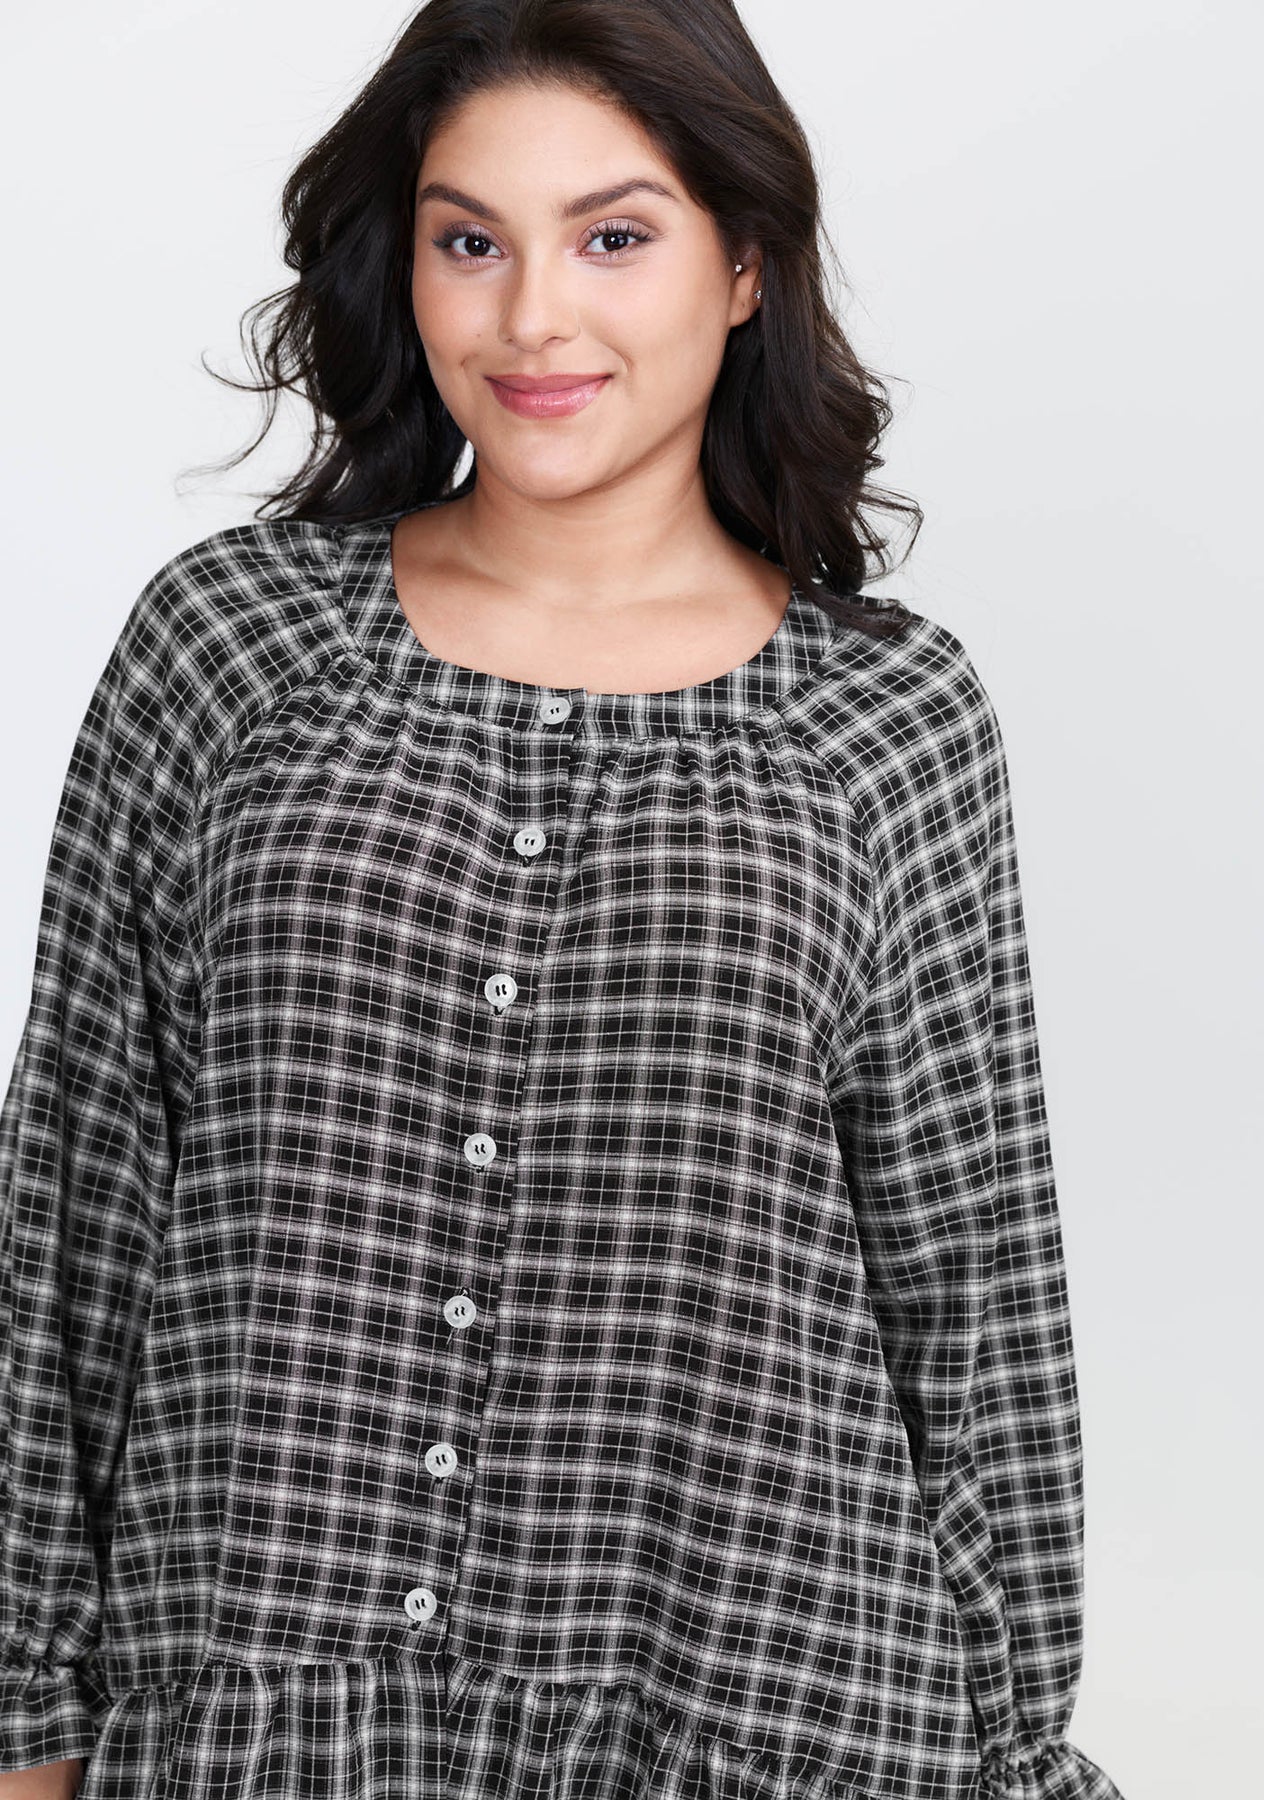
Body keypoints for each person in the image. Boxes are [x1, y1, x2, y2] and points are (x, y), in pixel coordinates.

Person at [0, 3, 1125, 1797]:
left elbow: (970, 1287)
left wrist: (1013, 1747)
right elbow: (74, 1207)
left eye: (612, 237)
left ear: (743, 266)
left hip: (761, 1706)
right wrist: (28, 1718)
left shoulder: (886, 720)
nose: (531, 317)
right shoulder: (233, 649)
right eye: (471, 242)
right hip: (271, 1708)